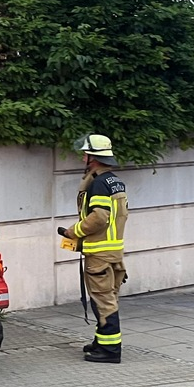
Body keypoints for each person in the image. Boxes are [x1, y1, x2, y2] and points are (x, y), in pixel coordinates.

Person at [58, 134, 128, 364]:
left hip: (99, 254)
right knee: (109, 299)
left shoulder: (98, 184)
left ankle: (110, 351)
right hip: (114, 253)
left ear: (93, 158)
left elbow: (99, 218)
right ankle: (101, 341)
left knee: (103, 301)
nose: (82, 157)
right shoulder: (114, 181)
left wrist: (73, 231)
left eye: (85, 154)